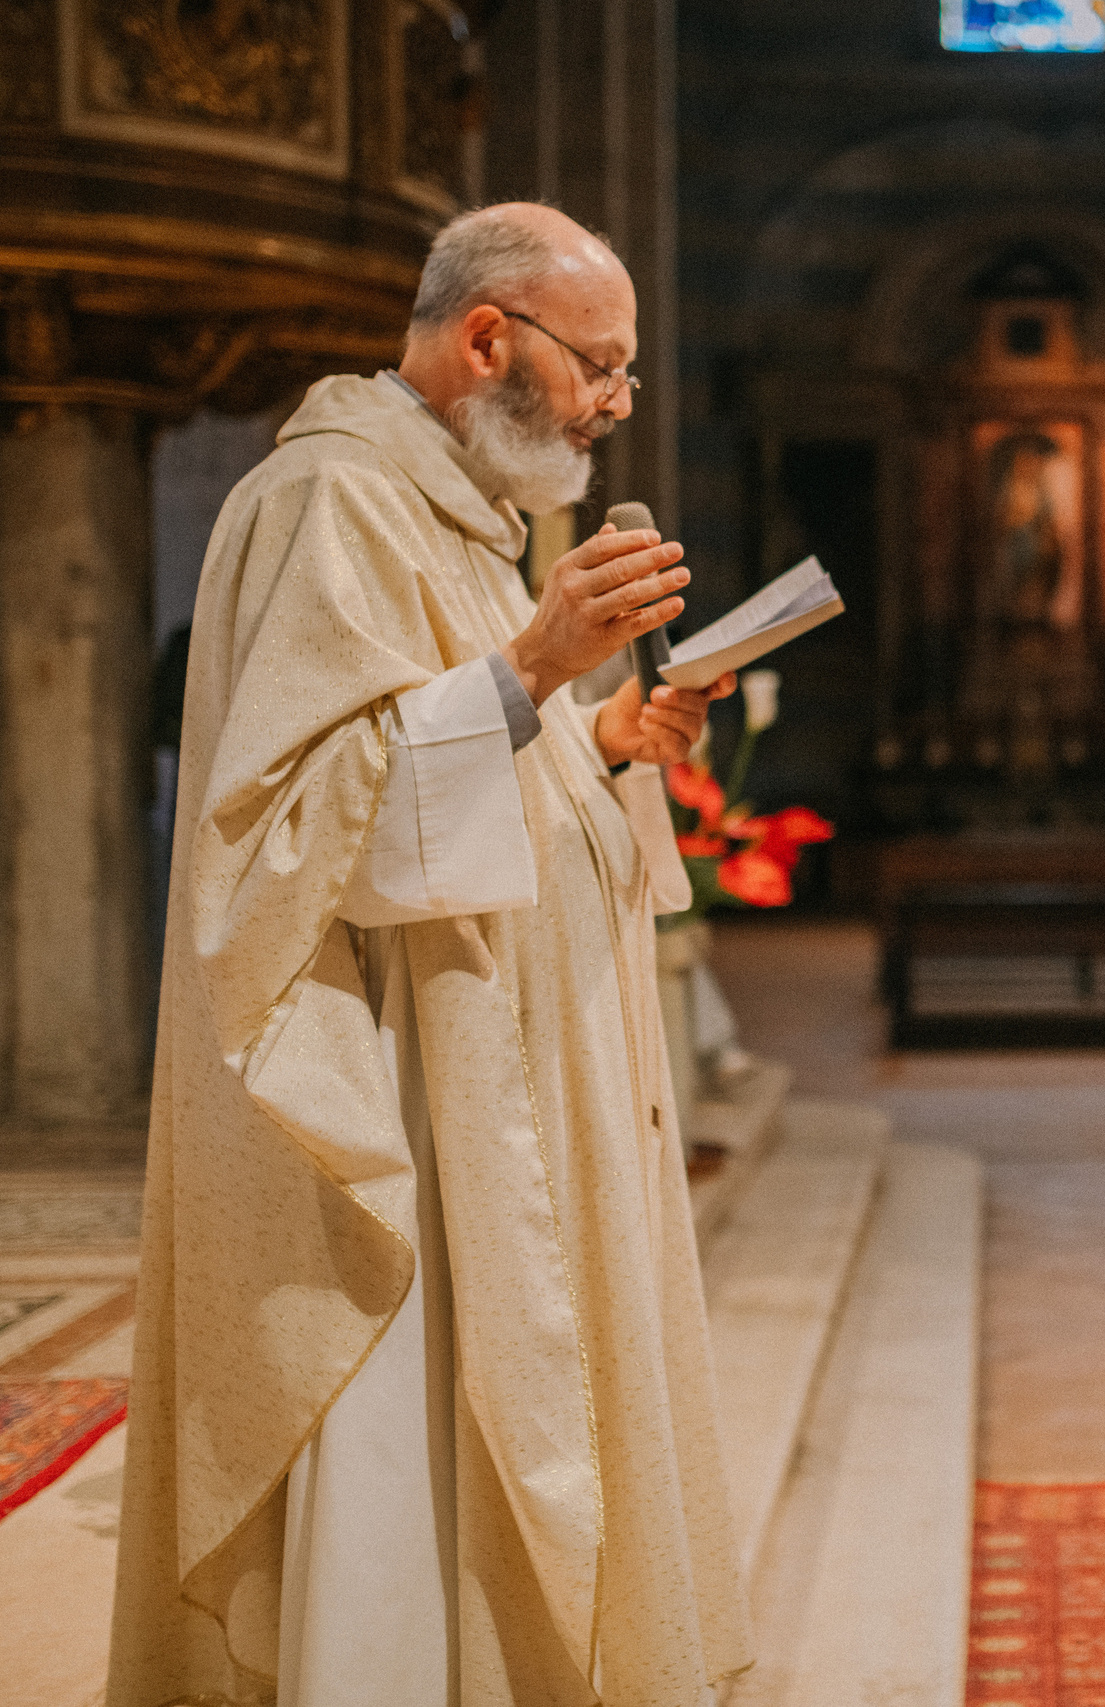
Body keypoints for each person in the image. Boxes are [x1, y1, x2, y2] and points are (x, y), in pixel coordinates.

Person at [111, 205, 751, 1706]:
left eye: (628, 375)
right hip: (410, 1109)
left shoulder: (459, 510)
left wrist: (601, 734)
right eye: (602, 364)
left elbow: (452, 766)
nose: (615, 402)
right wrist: (533, 664)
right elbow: (285, 838)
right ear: (487, 340)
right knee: (416, 1468)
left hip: (513, 1068)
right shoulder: (328, 502)